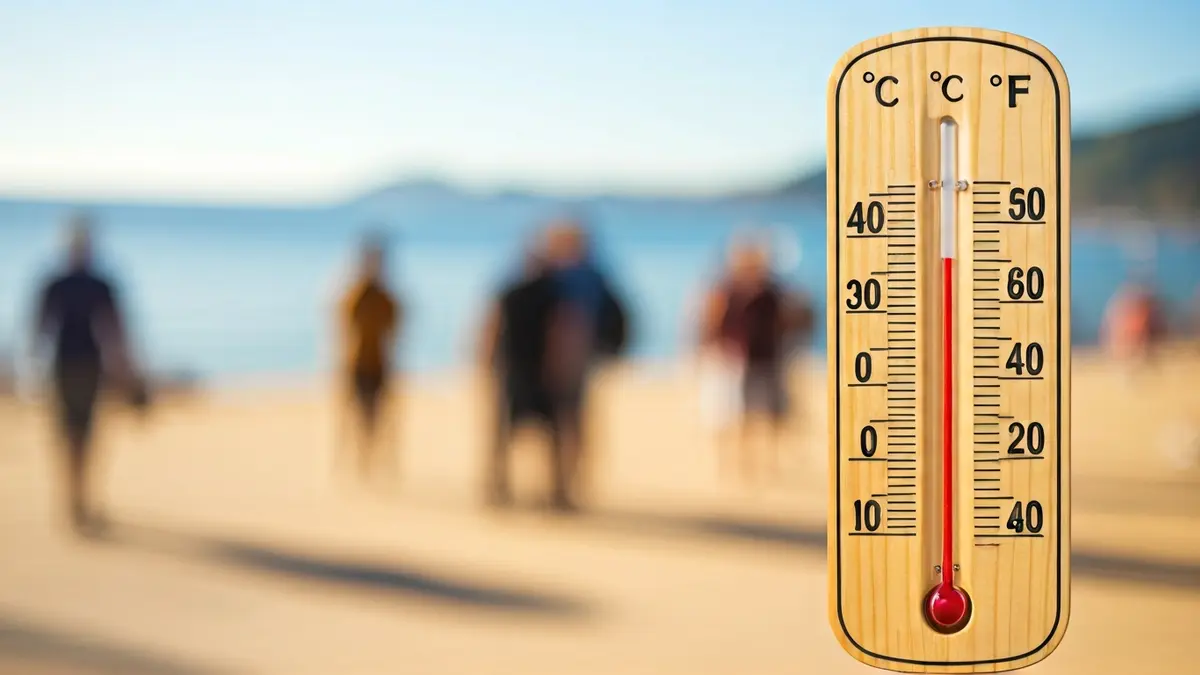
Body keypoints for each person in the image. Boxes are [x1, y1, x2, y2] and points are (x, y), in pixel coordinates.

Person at [31, 215, 139, 535]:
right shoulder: (59, 283)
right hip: (65, 367)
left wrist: (123, 368)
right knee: (71, 433)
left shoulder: (96, 284)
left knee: (84, 434)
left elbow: (115, 330)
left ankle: (81, 498)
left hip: (88, 367)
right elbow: (41, 329)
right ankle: (74, 498)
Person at [699, 235, 810, 482]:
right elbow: (710, 322)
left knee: (770, 414)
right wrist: (709, 352)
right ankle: (733, 464)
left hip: (766, 361)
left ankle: (766, 464)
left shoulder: (774, 292)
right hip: (734, 363)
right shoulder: (726, 289)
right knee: (732, 415)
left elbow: (792, 322)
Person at [336, 234, 403, 484]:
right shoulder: (356, 294)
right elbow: (343, 327)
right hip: (357, 364)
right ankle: (356, 461)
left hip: (380, 364)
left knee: (379, 416)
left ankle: (375, 460)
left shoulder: (385, 297)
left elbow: (395, 327)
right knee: (355, 415)